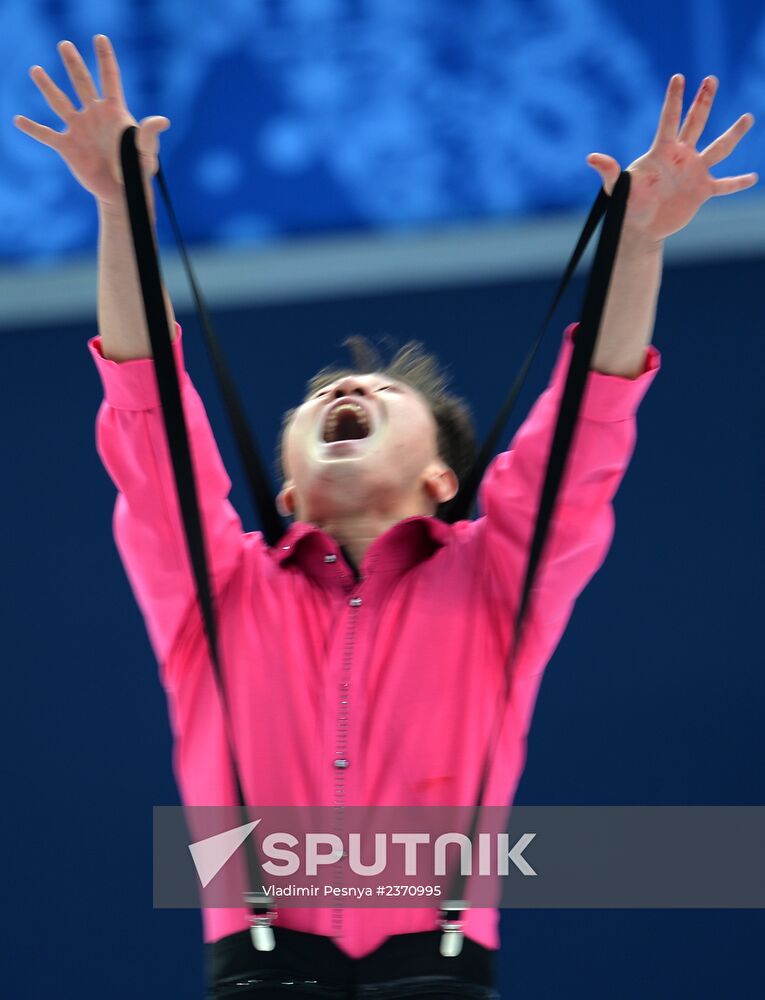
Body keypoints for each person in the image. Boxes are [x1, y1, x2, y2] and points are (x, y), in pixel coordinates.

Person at [15, 34, 756, 1000]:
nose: (348, 388)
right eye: (318, 396)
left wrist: (642, 241)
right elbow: (145, 403)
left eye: (375, 392)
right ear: (284, 493)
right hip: (256, 972)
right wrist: (119, 205)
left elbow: (590, 420)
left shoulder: (501, 580)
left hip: (438, 972)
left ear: (443, 479)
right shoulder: (212, 585)